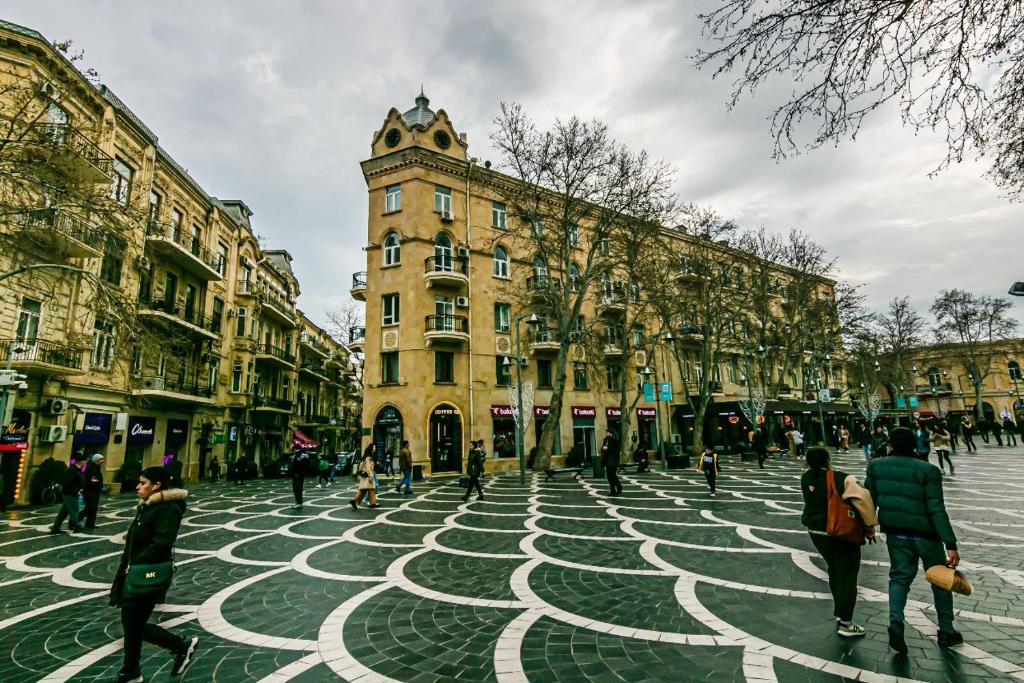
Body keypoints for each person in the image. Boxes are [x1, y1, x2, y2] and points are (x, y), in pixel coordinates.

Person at [864, 427, 962, 654]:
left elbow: (868, 499)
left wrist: (868, 526)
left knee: (899, 578)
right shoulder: (928, 470)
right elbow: (936, 508)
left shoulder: (876, 466)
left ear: (891, 443)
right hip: (926, 535)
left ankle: (896, 622)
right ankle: (946, 630)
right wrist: (951, 543)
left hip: (896, 533)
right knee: (940, 580)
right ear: (914, 445)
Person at [109, 466, 197, 682]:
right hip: (134, 571)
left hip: (147, 574)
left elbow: (162, 541)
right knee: (131, 622)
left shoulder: (168, 508)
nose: (138, 486)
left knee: (133, 623)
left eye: (143, 482)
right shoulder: (148, 507)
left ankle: (180, 645)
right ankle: (131, 671)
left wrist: (138, 563)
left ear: (156, 486)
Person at [800, 446, 877, 637]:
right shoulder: (841, 478)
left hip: (816, 533)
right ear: (828, 460)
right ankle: (846, 623)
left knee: (835, 570)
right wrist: (869, 526)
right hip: (839, 532)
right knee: (847, 575)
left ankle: (840, 613)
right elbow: (863, 499)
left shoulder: (806, 477)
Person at [50, 454, 85, 534]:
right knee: (74, 509)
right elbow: (67, 483)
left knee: (63, 512)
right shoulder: (72, 470)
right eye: (84, 460)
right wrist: (76, 490)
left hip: (71, 493)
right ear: (80, 461)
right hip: (70, 493)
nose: (85, 462)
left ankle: (55, 528)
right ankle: (77, 526)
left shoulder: (77, 469)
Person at [82, 454, 105, 530]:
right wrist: (91, 481)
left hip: (95, 491)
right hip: (90, 491)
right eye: (101, 459)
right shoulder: (89, 468)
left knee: (93, 508)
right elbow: (85, 477)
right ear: (96, 460)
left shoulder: (97, 467)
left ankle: (90, 524)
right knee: (89, 508)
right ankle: (74, 521)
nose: (102, 461)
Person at [600, 428, 622, 496]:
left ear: (610, 433)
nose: (606, 434)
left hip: (614, 460)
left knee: (613, 474)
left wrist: (608, 449)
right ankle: (612, 491)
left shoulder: (616, 440)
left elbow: (617, 450)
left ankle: (619, 486)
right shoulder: (605, 440)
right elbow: (602, 449)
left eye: (607, 432)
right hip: (607, 460)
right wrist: (603, 449)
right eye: (605, 433)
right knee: (609, 476)